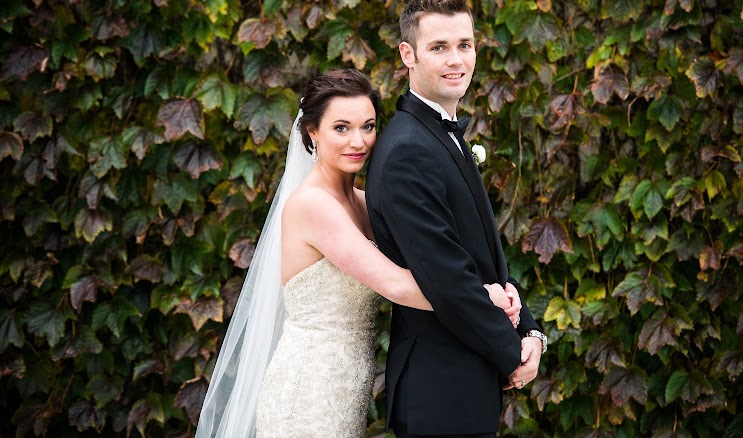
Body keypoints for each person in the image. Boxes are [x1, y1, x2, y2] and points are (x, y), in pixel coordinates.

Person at [195, 69, 520, 437]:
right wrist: (485, 298)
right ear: (312, 132)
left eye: (368, 126)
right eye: (341, 128)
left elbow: (432, 258)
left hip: (349, 387)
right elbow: (396, 284)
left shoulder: (364, 203)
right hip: (310, 388)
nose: (358, 141)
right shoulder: (312, 205)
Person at [365, 0, 548, 437]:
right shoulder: (408, 149)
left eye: (464, 45)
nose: (456, 60)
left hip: (461, 386)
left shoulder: (438, 134)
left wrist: (531, 333)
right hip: (439, 392)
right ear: (407, 54)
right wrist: (512, 354)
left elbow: (483, 255)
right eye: (439, 47)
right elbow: (445, 276)